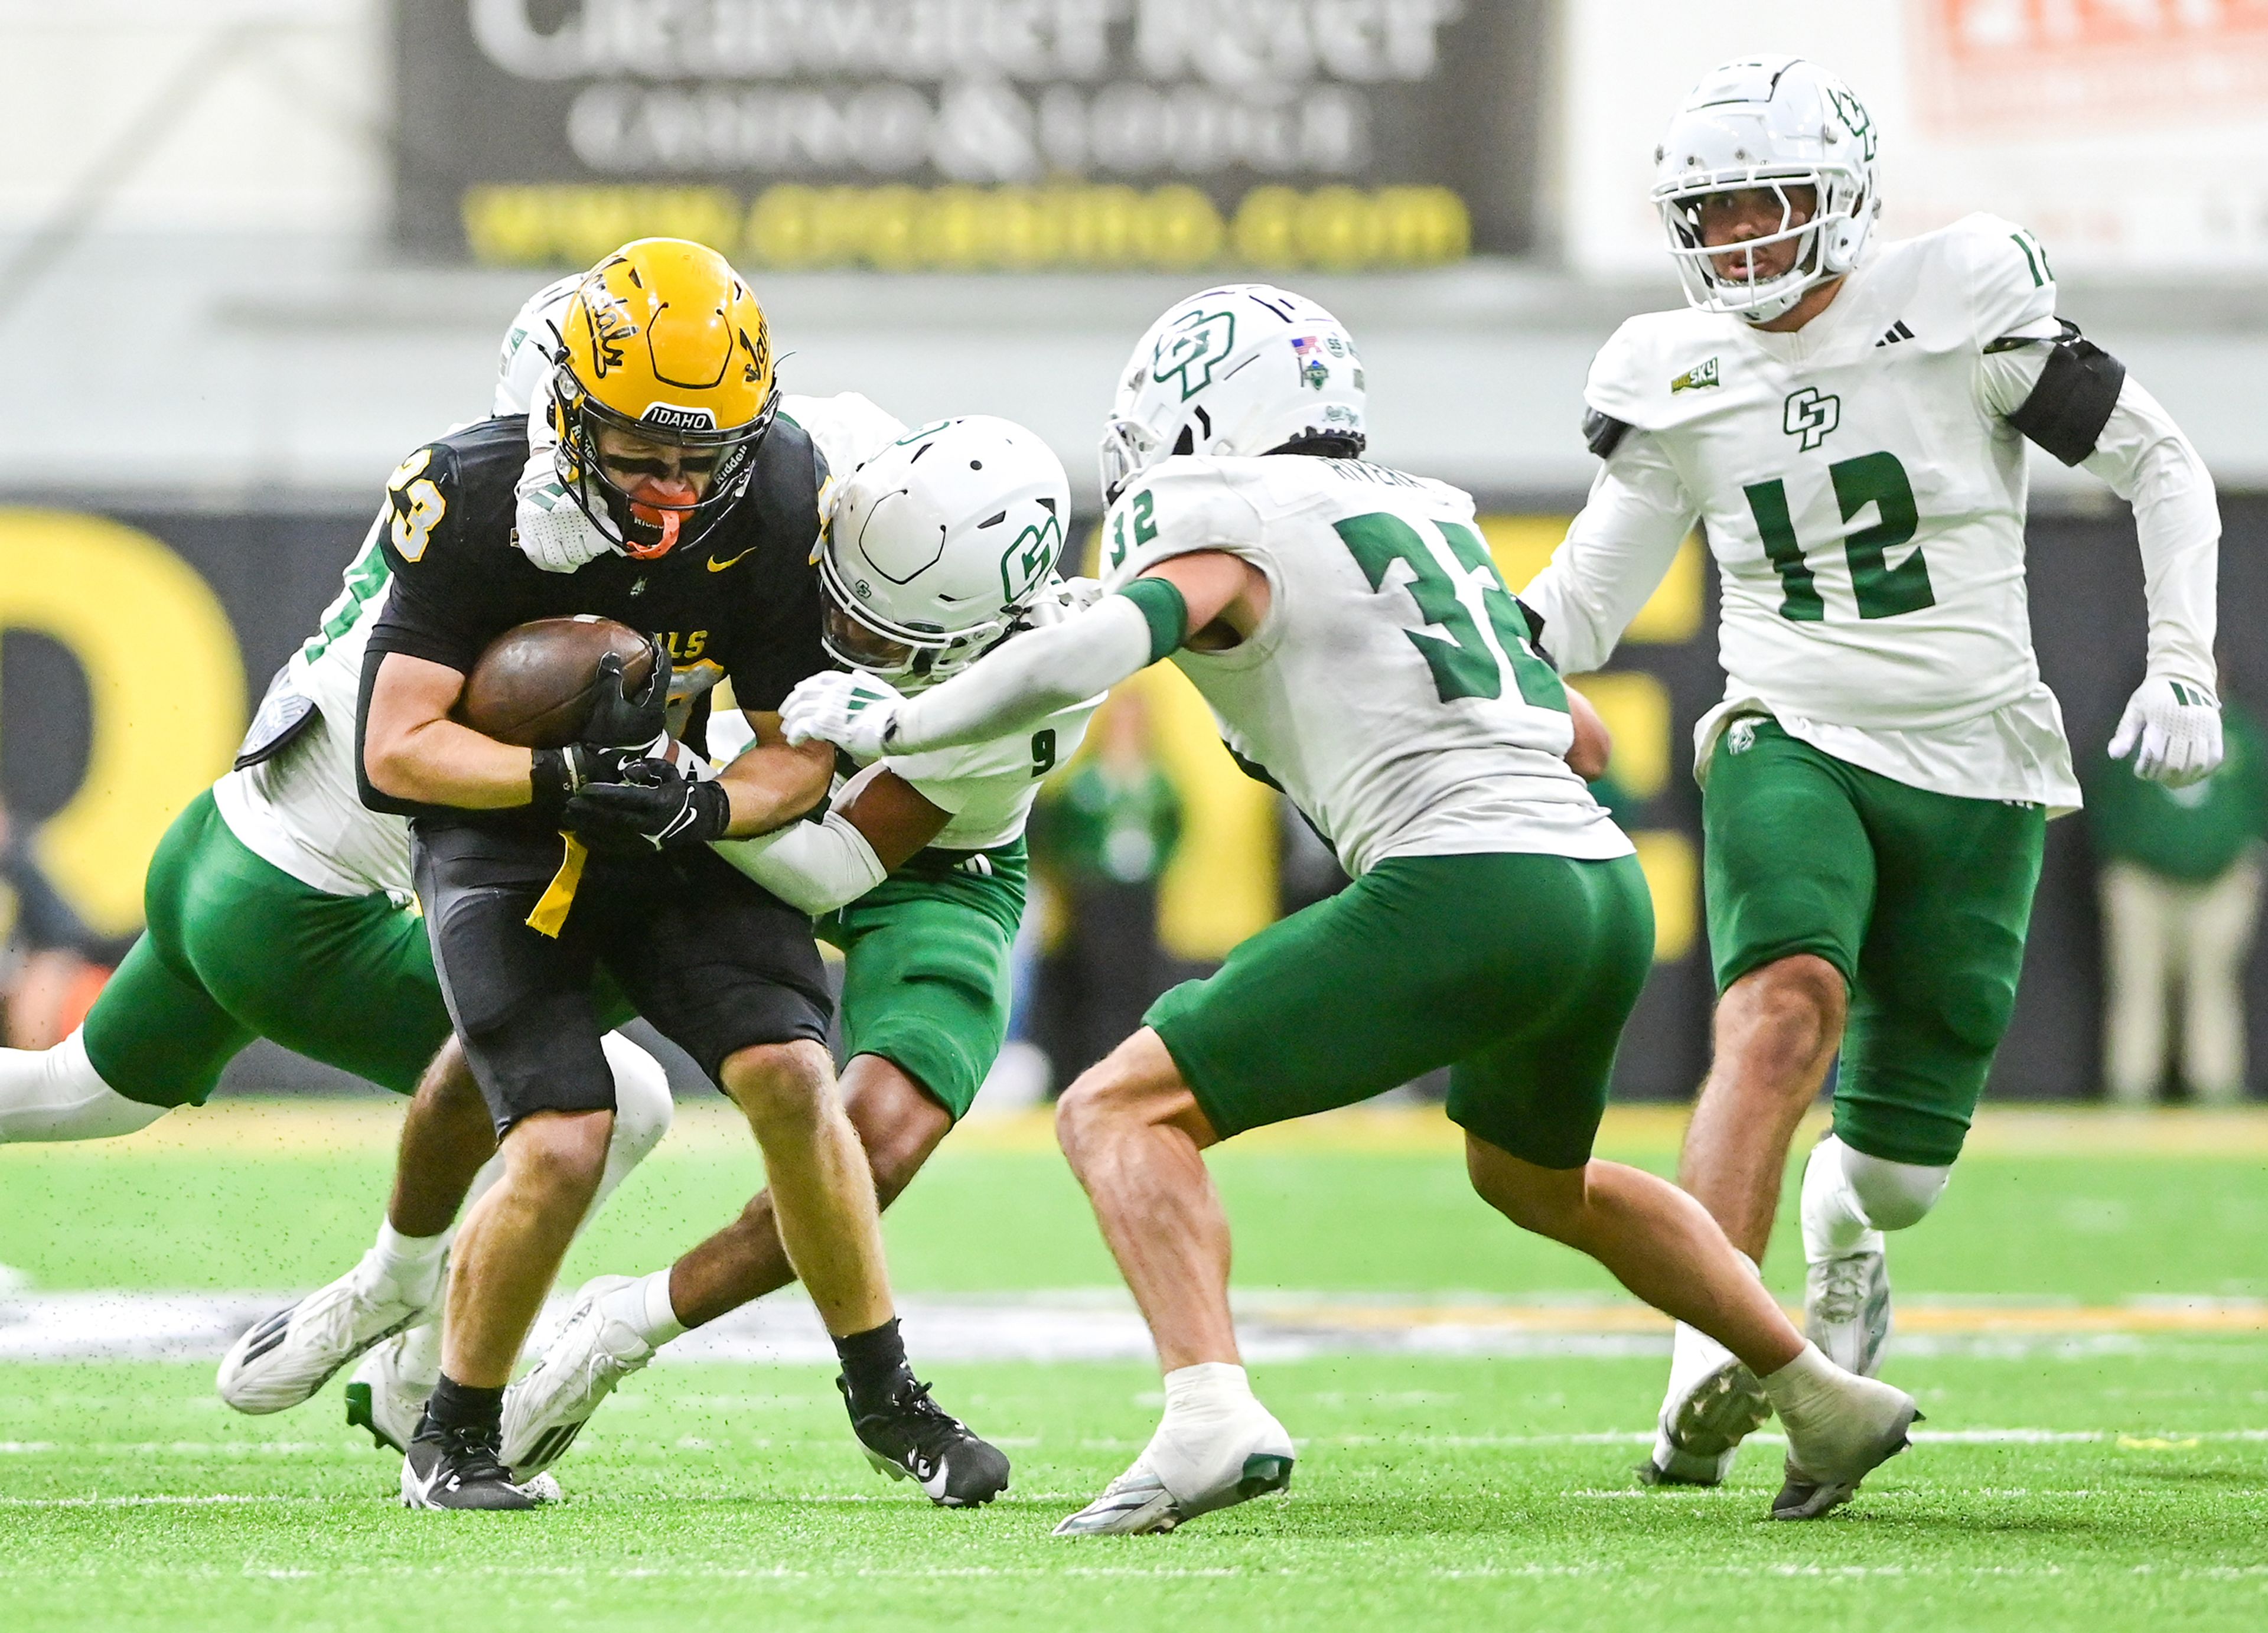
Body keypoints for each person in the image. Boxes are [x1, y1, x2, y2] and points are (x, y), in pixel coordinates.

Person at [782, 281, 1920, 1532]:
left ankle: (1210, 1410)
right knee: (1540, 1182)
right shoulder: (1418, 515)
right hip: (1595, 886)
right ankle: (1816, 1389)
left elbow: (1099, 646)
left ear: (1204, 411)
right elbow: (1582, 734)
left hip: (1469, 875)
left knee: (1117, 1110)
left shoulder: (1224, 517)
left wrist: (900, 721)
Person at [1514, 58, 2221, 1488]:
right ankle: (1708, 1351)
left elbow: (2161, 466)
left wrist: (2183, 660)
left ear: (1839, 201)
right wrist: (1444, 655)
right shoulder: (1676, 371)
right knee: (1778, 1015)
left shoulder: (1955, 303)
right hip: (1789, 729)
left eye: (1763, 205)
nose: (1736, 241)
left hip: (1975, 756)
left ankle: (1841, 1229)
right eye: (1707, 215)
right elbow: (1578, 609)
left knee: (1897, 1169)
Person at [352, 237, 1005, 1511]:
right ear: (567, 411)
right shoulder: (470, 492)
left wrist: (702, 799)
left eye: (699, 456)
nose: (670, 485)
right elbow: (397, 746)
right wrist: (551, 783)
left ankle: (889, 1396)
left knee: (790, 1071)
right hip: (510, 826)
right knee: (562, 1130)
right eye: (642, 452)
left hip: (662, 799)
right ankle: (455, 1432)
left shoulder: (775, 499)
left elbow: (797, 750)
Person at [478, 413, 1114, 1479]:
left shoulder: (1040, 682)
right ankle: (408, 1288)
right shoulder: (817, 465)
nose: (848, 641)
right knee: (503, 1017)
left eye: (887, 642)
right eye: (839, 607)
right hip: (739, 781)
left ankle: (623, 1327)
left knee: (878, 1143)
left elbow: (837, 869)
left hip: (917, 868)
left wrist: (695, 794)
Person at [2091, 689, 2267, 1104]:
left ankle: (2216, 1093)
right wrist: (2120, 862)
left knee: (2213, 987)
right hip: (2142, 884)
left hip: (2220, 885)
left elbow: (2259, 802)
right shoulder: (2136, 729)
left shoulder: (2240, 733)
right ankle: (2129, 1094)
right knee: (2136, 987)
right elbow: (2105, 802)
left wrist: (2249, 861)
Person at [1030, 690, 1184, 1078]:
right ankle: (1089, 1061)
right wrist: (1079, 867)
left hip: (1139, 888)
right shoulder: (1087, 781)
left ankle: (1132, 1062)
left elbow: (1175, 825)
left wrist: (1158, 862)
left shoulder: (1156, 780)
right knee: (1092, 975)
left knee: (1136, 974)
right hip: (1095, 891)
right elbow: (1059, 831)